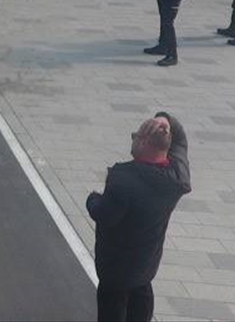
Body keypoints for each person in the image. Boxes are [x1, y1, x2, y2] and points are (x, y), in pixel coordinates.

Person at [87, 112, 190, 322]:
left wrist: (92, 199)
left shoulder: (124, 179)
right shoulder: (178, 178)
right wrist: (165, 119)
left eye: (134, 136)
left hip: (115, 268)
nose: (132, 139)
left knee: (112, 305)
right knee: (141, 297)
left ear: (143, 142)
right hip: (146, 264)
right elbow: (180, 140)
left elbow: (106, 215)